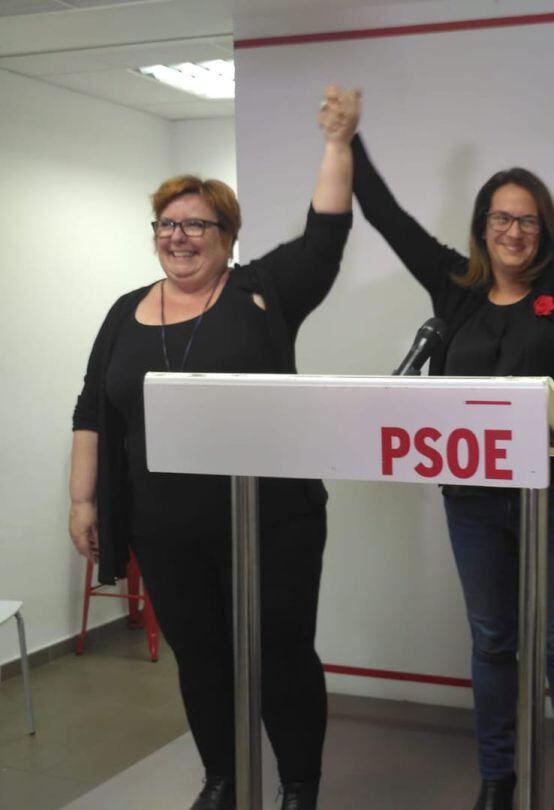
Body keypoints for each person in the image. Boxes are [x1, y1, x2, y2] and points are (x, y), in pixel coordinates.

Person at [68, 85, 359, 810]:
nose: (179, 236)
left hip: (272, 522)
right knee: (200, 659)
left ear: (228, 235)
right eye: (167, 223)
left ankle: (298, 785)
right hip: (164, 528)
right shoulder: (123, 311)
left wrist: (338, 142)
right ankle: (223, 778)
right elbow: (93, 409)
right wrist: (82, 497)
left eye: (197, 224)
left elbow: (324, 235)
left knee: (280, 654)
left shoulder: (262, 293)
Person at [348, 36, 554, 810]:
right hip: (474, 500)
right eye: (501, 218)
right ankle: (497, 778)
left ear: (543, 229)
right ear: (482, 225)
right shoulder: (455, 293)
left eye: (527, 220)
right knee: (494, 642)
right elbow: (389, 219)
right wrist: (347, 142)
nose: (515, 232)